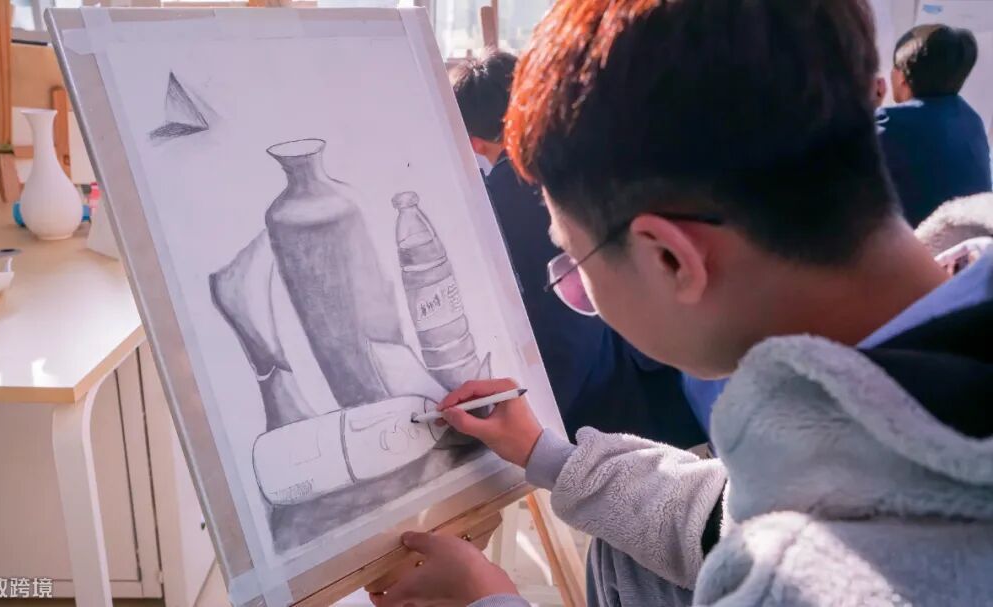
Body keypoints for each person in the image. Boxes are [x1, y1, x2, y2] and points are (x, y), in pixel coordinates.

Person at [372, 1, 993, 606]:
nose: (579, 294)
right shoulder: (910, 403)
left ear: (670, 258)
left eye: (575, 268)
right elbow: (740, 513)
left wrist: (489, 600)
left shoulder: (832, 575)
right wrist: (550, 456)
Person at [450, 51, 706, 446]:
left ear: (473, 141)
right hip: (673, 371)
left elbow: (561, 323)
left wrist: (543, 428)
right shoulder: (599, 148)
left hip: (607, 403)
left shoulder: (506, 196)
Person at [880, 24, 991, 225]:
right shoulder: (972, 121)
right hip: (971, 240)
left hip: (921, 241)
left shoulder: (888, 124)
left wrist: (865, 108)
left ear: (902, 76)